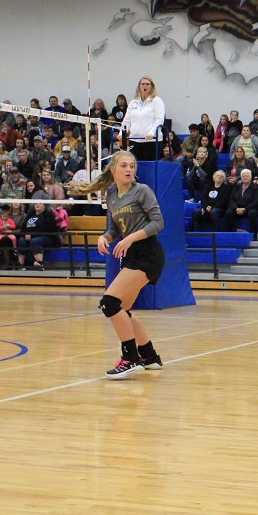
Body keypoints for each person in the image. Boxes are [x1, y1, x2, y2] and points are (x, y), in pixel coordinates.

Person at [69, 150, 165, 378]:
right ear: (113, 169)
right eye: (124, 165)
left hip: (148, 253)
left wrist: (130, 238)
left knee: (109, 303)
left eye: (132, 166)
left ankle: (130, 358)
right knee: (121, 309)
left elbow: (158, 222)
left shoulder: (141, 191)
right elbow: (114, 230)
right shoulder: (111, 196)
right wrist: (105, 237)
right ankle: (149, 355)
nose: (129, 169)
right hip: (131, 255)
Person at [122, 77, 166, 162]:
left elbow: (159, 119)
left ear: (152, 87)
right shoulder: (133, 102)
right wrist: (122, 133)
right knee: (133, 165)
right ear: (139, 86)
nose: (144, 86)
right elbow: (126, 120)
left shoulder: (157, 101)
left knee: (148, 167)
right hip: (134, 140)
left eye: (147, 84)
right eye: (142, 84)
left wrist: (152, 133)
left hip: (151, 141)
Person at [16, 200, 60, 270]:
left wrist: (32, 235)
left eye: (40, 203)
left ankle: (39, 263)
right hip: (29, 236)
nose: (37, 205)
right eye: (36, 203)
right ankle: (21, 264)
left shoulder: (48, 215)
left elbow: (47, 229)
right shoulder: (31, 214)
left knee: (35, 241)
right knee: (21, 240)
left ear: (44, 205)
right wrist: (26, 234)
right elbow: (23, 227)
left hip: (46, 237)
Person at [224, 168, 258, 237]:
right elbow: (231, 199)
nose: (245, 178)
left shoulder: (256, 188)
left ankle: (254, 235)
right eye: (243, 176)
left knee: (252, 213)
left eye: (247, 176)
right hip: (238, 209)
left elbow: (257, 201)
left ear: (250, 177)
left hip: (251, 209)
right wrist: (236, 208)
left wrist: (245, 209)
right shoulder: (237, 187)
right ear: (241, 178)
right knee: (228, 212)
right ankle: (229, 234)